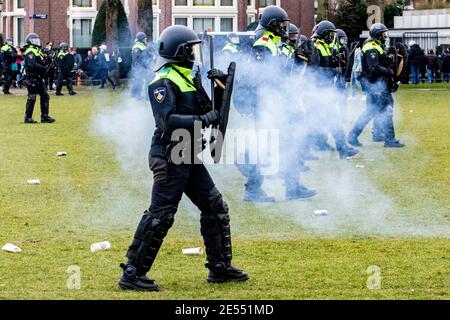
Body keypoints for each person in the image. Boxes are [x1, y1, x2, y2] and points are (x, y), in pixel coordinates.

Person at [118, 25, 248, 291]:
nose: (193, 53)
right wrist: (203, 119)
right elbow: (167, 121)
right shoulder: (162, 81)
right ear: (179, 51)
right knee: (161, 215)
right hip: (169, 155)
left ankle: (219, 268)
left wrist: (220, 86)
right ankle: (132, 272)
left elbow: (211, 112)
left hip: (188, 152)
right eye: (190, 48)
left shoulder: (189, 77)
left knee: (215, 207)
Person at [251, 5, 317, 201]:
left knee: (289, 142)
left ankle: (292, 186)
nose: (284, 28)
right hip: (268, 102)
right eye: (281, 24)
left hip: (282, 100)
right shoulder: (262, 43)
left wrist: (300, 59)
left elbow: (288, 72)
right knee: (265, 145)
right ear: (272, 25)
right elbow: (267, 75)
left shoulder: (279, 42)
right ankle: (252, 189)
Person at [347, 23, 404, 148]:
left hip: (375, 84)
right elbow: (374, 67)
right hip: (374, 85)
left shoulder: (376, 46)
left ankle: (353, 135)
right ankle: (390, 139)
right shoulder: (371, 47)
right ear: (377, 35)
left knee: (370, 112)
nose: (385, 36)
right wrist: (390, 72)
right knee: (387, 108)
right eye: (383, 34)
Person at [309, 20, 359, 159]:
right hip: (316, 90)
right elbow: (315, 70)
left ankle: (342, 150)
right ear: (324, 34)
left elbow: (329, 64)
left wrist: (339, 61)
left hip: (324, 90)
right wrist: (334, 69)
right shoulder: (315, 46)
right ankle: (299, 153)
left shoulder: (325, 46)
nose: (332, 37)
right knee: (311, 123)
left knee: (328, 120)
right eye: (330, 34)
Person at [23, 33, 55, 124]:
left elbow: (42, 63)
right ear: (30, 41)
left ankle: (44, 116)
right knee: (32, 97)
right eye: (34, 40)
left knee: (45, 96)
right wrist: (43, 68)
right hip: (32, 78)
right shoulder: (30, 51)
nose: (37, 42)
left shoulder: (37, 51)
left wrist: (48, 59)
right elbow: (31, 64)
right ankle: (28, 117)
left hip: (39, 78)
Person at [131, 32, 149, 99]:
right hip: (138, 67)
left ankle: (137, 95)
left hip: (140, 67)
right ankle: (136, 96)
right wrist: (145, 66)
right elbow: (138, 59)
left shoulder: (141, 46)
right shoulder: (138, 47)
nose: (146, 40)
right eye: (145, 39)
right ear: (142, 39)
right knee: (138, 81)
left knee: (139, 81)